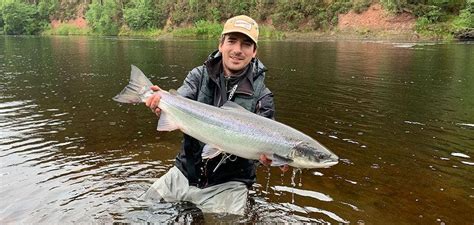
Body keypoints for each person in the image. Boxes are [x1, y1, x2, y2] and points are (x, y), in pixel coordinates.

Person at [143, 15, 288, 215]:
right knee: (142, 210)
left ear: (254, 52)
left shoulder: (263, 96)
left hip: (228, 185)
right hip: (184, 173)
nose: (237, 50)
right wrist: (162, 104)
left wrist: (267, 159)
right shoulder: (198, 76)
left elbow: (265, 147)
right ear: (221, 45)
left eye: (246, 44)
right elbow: (180, 100)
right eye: (231, 41)